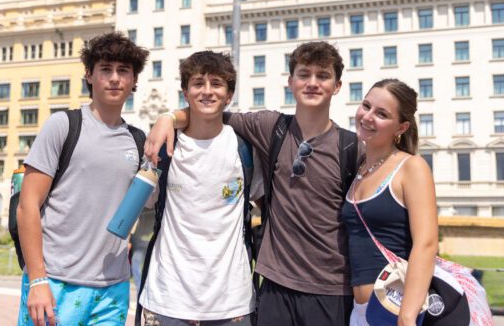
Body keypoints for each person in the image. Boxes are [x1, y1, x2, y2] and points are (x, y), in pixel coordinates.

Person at [145, 41, 357, 326]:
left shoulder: (352, 148)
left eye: (323, 76)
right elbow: (207, 111)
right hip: (272, 288)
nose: (312, 83)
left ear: (338, 85)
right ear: (290, 82)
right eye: (304, 74)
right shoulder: (270, 128)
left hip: (327, 291)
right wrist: (167, 117)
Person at [16, 32, 149, 326]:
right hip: (55, 281)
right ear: (89, 75)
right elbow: (27, 207)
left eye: (123, 71)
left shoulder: (138, 141)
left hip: (112, 288)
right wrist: (37, 280)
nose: (114, 78)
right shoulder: (63, 125)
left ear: (134, 80)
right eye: (105, 69)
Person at [137, 50, 260, 325]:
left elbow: (267, 208)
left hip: (232, 304)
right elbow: (138, 204)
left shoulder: (245, 148)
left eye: (216, 84)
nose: (207, 91)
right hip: (167, 298)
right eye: (198, 83)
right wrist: (165, 120)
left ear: (229, 95)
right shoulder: (163, 145)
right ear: (185, 91)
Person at [342, 79, 438, 326]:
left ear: (401, 127)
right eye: (366, 106)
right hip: (361, 312)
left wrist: (407, 316)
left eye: (382, 114)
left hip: (394, 311)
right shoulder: (360, 168)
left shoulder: (411, 167)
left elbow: (426, 244)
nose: (368, 116)